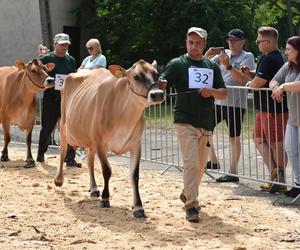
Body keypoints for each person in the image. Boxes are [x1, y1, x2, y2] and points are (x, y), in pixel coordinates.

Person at [160, 27, 226, 222]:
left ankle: (187, 192)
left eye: (198, 43)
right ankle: (192, 205)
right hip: (184, 120)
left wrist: (211, 91)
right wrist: (161, 83)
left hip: (206, 122)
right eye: (191, 42)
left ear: (205, 44)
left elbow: (223, 92)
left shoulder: (211, 67)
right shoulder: (177, 64)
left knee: (199, 167)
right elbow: (163, 83)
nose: (194, 46)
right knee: (191, 163)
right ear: (186, 42)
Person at [204, 29, 255, 182]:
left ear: (242, 41)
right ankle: (213, 161)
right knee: (205, 128)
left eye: (235, 40)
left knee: (234, 137)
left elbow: (243, 79)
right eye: (229, 40)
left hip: (235, 103)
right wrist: (207, 55)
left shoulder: (248, 56)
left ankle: (233, 172)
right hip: (218, 100)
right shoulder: (223, 55)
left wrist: (228, 66)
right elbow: (205, 66)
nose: (231, 43)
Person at [247, 26, 288, 193]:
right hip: (264, 108)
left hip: (273, 110)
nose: (257, 44)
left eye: (258, 41)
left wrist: (250, 83)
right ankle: (275, 175)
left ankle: (280, 179)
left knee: (275, 144)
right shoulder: (269, 58)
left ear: (268, 42)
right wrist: (251, 77)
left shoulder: (271, 58)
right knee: (258, 139)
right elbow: (261, 79)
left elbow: (257, 84)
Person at [36, 33, 81, 167]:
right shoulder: (46, 58)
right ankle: (40, 155)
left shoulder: (71, 60)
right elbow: (36, 73)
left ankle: (70, 158)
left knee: (70, 129)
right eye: (62, 44)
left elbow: (72, 76)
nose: (65, 46)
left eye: (66, 44)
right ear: (55, 44)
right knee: (47, 128)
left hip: (67, 99)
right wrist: (47, 82)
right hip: (52, 99)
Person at [270, 36, 300, 198]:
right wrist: (276, 87)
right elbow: (273, 80)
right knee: (291, 149)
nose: (286, 52)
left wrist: (283, 86)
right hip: (294, 118)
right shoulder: (288, 66)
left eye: (289, 49)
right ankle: (298, 184)